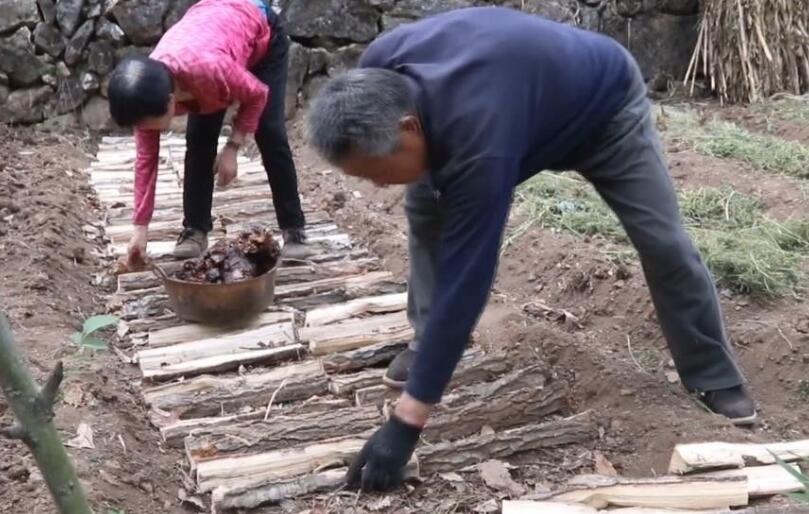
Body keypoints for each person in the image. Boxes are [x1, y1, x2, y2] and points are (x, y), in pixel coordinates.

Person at [306, 6, 757, 492]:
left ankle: (712, 373)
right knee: (424, 207)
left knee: (661, 239)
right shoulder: (380, 68)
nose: (375, 185)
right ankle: (424, 340)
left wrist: (407, 422)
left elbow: (470, 277)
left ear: (410, 128)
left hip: (601, 110)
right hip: (520, 99)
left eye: (375, 170)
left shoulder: (480, 139)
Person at [107, 0, 307, 267]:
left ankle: (294, 230)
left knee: (269, 132)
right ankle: (195, 229)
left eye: (149, 125)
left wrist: (233, 148)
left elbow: (257, 94)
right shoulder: (145, 92)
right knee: (199, 140)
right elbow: (146, 162)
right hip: (213, 39)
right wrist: (140, 231)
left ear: (170, 102)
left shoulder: (210, 71)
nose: (145, 131)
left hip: (259, 36)